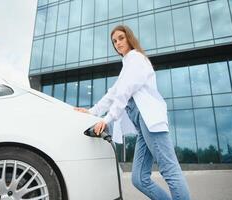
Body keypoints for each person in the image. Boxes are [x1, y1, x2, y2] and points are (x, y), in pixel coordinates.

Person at [74, 25, 190, 200]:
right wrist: (91, 111)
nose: (118, 43)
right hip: (141, 125)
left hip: (148, 119)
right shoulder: (127, 64)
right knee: (139, 178)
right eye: (114, 41)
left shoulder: (135, 58)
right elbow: (113, 93)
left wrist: (107, 119)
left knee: (169, 169)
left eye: (121, 38)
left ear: (129, 38)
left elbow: (124, 92)